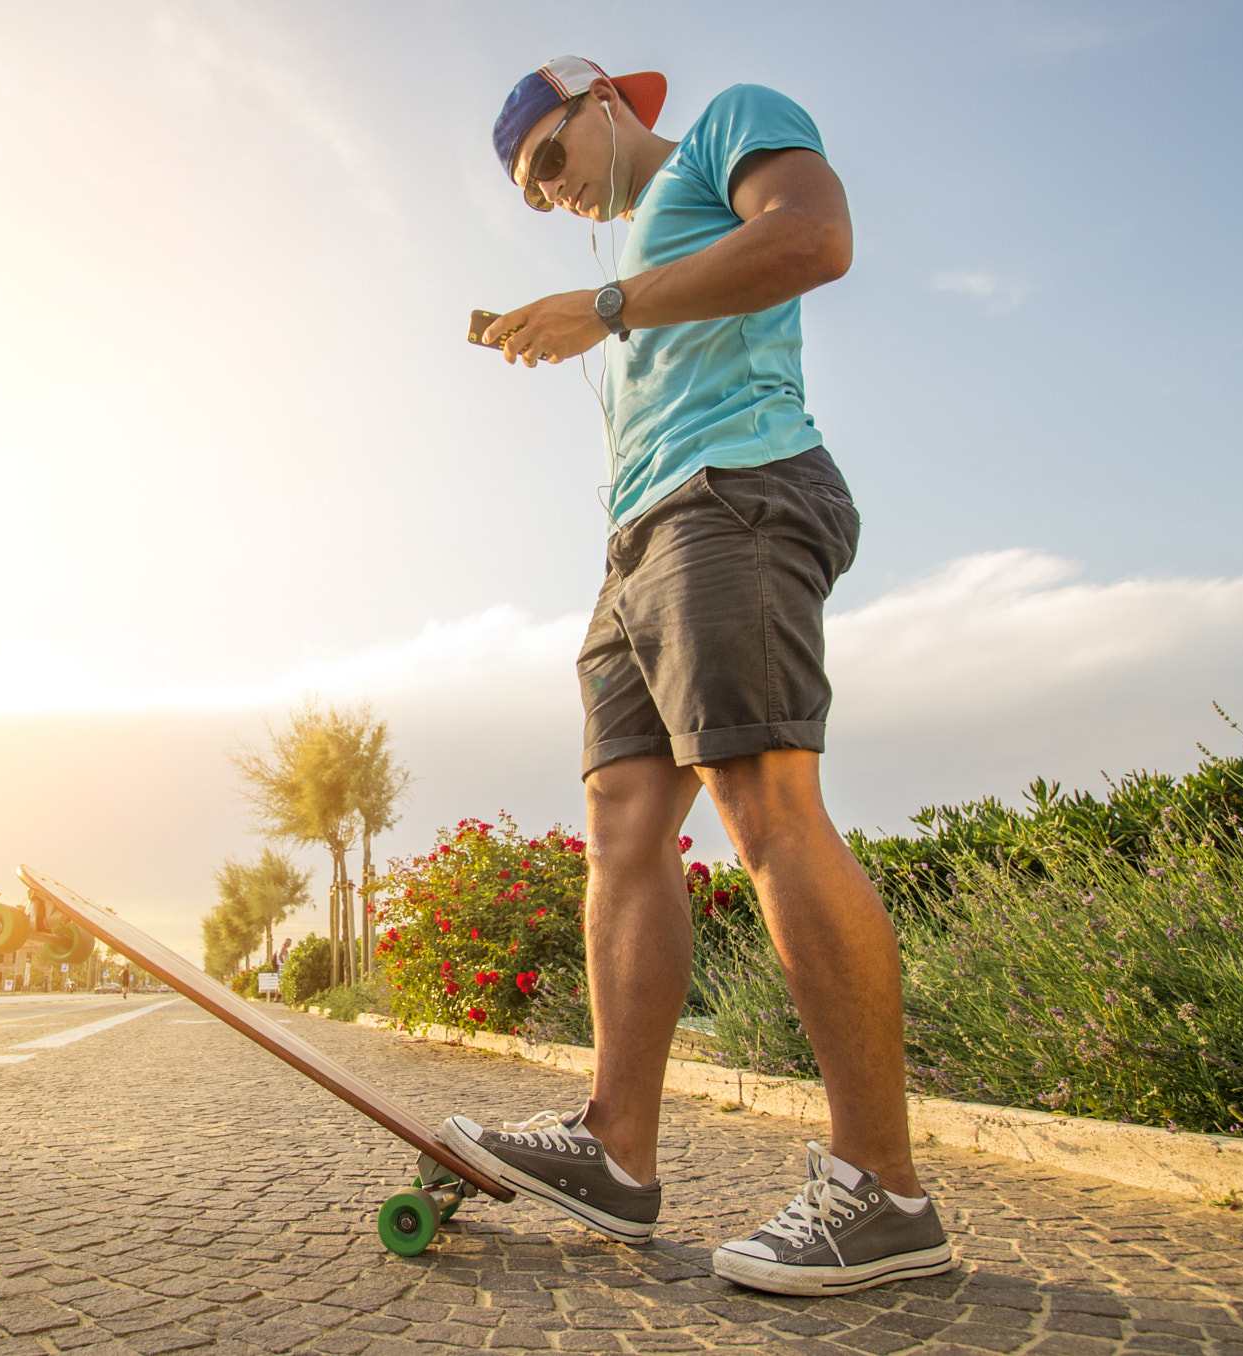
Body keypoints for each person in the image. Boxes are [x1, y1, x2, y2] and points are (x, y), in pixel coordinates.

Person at [439, 56, 952, 1298]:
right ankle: (616, 1153)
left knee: (763, 804)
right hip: (637, 543)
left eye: (550, 162)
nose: (548, 193)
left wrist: (603, 309)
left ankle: (883, 1192)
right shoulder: (621, 271)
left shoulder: (732, 124)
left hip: (735, 493)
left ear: (604, 104)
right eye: (527, 190)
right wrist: (587, 318)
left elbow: (813, 239)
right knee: (620, 824)